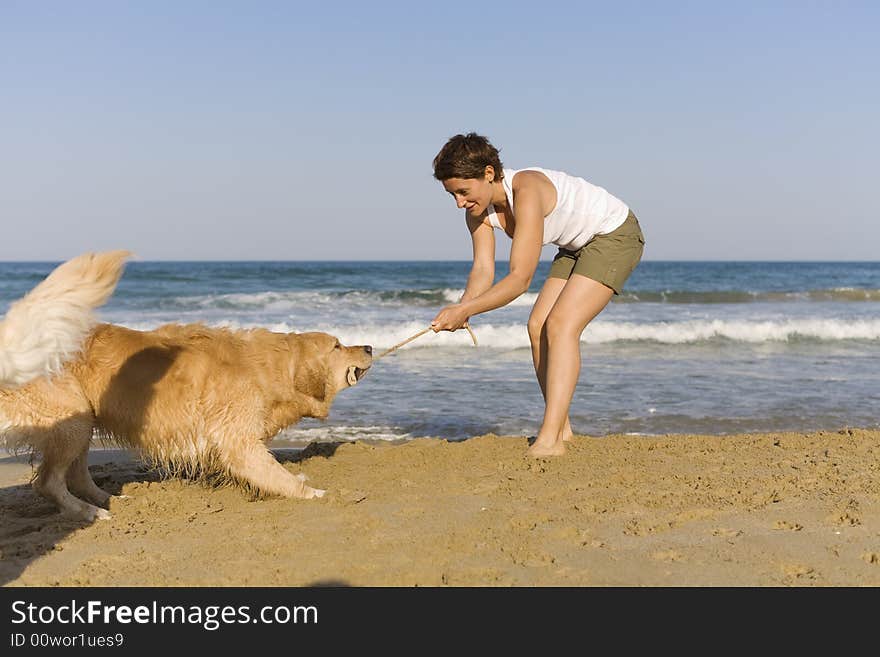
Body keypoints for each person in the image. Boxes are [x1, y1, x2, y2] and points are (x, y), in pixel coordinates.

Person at [430, 133, 645, 457]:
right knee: (537, 326)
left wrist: (467, 310)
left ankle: (550, 439)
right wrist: (463, 308)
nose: (460, 202)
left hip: (613, 234)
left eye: (463, 191)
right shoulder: (477, 212)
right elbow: (483, 271)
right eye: (453, 195)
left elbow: (520, 279)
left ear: (489, 173)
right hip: (575, 247)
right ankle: (562, 430)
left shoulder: (526, 190)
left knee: (560, 325)